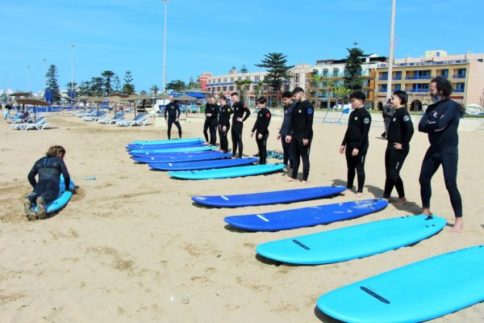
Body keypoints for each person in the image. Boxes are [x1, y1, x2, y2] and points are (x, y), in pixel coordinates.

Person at [418, 76, 463, 233]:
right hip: (434, 149)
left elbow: (440, 124)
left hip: (448, 151)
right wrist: (434, 125)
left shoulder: (453, 106)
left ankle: (458, 220)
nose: (430, 91)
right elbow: (421, 126)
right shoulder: (431, 108)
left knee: (450, 183)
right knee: (423, 179)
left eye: (432, 89)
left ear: (441, 89)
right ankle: (425, 210)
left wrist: (433, 125)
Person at [383, 90, 414, 204]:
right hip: (391, 146)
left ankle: (401, 198)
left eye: (393, 98)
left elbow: (410, 129)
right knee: (389, 172)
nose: (391, 99)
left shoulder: (403, 113)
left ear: (400, 100)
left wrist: (403, 144)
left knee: (393, 173)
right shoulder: (396, 112)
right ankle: (386, 196)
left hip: (399, 148)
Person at [24, 145, 71, 220]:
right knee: (51, 193)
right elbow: (66, 176)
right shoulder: (59, 160)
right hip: (52, 183)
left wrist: (35, 187)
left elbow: (30, 176)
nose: (63, 157)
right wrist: (67, 188)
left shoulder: (39, 160)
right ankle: (42, 200)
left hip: (40, 183)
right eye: (63, 155)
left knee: (36, 192)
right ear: (59, 153)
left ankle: (29, 199)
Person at [340, 91, 372, 197]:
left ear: (361, 101)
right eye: (351, 101)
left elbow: (364, 133)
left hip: (360, 146)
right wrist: (343, 144)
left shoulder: (365, 115)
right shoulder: (352, 114)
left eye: (353, 101)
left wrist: (357, 147)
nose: (352, 103)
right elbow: (349, 130)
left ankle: (360, 190)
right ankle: (349, 186)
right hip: (350, 144)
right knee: (350, 167)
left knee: (359, 168)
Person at [285, 87, 314, 183]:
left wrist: (306, 137)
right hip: (295, 134)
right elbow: (292, 122)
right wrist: (289, 134)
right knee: (295, 156)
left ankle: (305, 178)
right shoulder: (296, 105)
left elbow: (309, 123)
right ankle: (294, 176)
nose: (293, 98)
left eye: (295, 96)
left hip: (304, 134)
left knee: (304, 156)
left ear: (301, 94)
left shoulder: (308, 106)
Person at [251, 97, 271, 164]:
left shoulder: (267, 112)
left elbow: (266, 124)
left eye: (259, 103)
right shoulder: (259, 112)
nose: (258, 105)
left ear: (264, 103)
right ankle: (261, 161)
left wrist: (261, 133)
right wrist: (253, 131)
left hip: (264, 133)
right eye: (258, 103)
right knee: (259, 147)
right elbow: (257, 122)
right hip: (258, 132)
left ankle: (263, 162)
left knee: (263, 148)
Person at [230, 92, 251, 158]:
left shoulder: (241, 103)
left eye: (233, 98)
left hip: (238, 125)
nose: (232, 99)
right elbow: (233, 112)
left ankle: (240, 156)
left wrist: (243, 119)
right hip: (233, 125)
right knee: (234, 140)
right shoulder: (234, 104)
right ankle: (233, 154)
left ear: (237, 97)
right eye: (232, 98)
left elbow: (248, 112)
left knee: (239, 140)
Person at [277, 91, 294, 168]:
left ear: (290, 98)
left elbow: (294, 122)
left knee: (290, 150)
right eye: (283, 100)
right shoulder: (285, 107)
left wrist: (290, 134)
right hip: (284, 131)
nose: (284, 101)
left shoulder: (294, 106)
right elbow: (285, 120)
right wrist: (280, 132)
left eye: (285, 99)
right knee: (285, 150)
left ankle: (292, 166)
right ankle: (285, 164)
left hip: (290, 132)